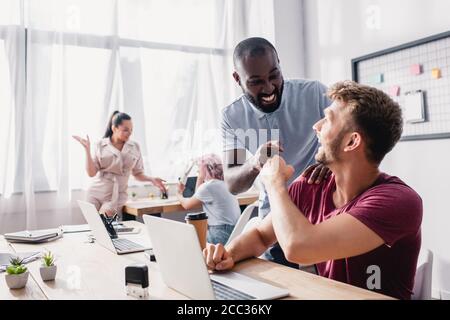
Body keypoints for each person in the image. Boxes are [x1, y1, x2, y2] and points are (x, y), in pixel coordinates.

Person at [205, 81, 423, 300]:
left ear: (351, 141)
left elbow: (298, 247)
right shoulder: (311, 185)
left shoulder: (398, 202)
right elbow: (261, 236)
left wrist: (273, 183)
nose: (316, 126)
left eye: (327, 119)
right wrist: (227, 254)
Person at [221, 37, 331, 266]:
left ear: (280, 65)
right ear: (237, 79)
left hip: (324, 213)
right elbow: (233, 183)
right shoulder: (233, 117)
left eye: (274, 75)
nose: (269, 88)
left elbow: (352, 130)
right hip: (273, 221)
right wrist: (255, 162)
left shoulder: (315, 93)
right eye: (256, 82)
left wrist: (329, 159)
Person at [73, 111, 167, 217]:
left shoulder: (135, 147)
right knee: (94, 226)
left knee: (107, 220)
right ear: (114, 128)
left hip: (116, 195)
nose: (129, 133)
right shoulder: (100, 145)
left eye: (131, 130)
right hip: (95, 192)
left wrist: (152, 179)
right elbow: (91, 173)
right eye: (125, 130)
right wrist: (87, 149)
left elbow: (137, 173)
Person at [177, 154, 241, 245]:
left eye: (199, 168)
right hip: (235, 233)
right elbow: (198, 195)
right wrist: (200, 178)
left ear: (205, 169)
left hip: (220, 234)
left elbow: (186, 205)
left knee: (187, 240)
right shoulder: (224, 184)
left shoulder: (209, 186)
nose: (198, 170)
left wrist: (178, 193)